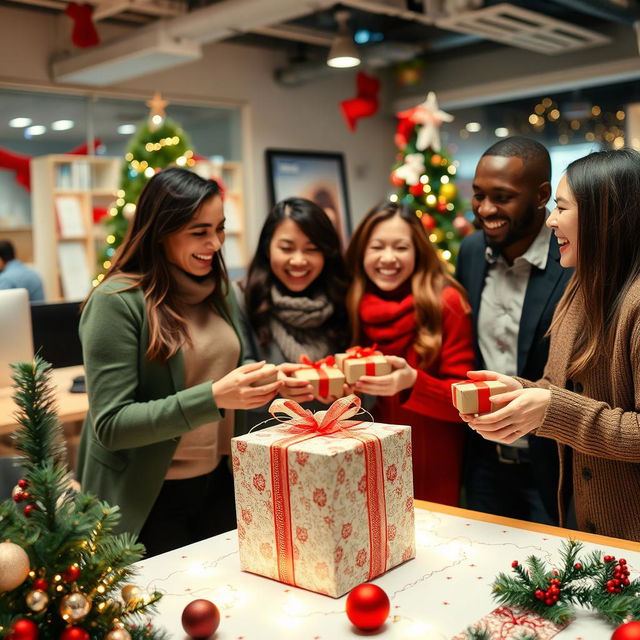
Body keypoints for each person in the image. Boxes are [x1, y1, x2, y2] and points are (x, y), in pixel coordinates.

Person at [76, 167, 280, 557]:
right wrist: (215, 397)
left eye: (220, 228)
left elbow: (235, 362)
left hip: (221, 487)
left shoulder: (216, 288)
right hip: (149, 498)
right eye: (199, 232)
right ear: (161, 231)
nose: (216, 243)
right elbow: (112, 425)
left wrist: (271, 380)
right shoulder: (116, 302)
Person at [461, 148, 640, 542]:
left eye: (561, 208)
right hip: (583, 518)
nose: (552, 220)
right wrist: (521, 391)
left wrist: (552, 410)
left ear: (603, 217)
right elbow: (561, 388)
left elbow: (568, 408)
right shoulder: (578, 287)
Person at [456, 137, 572, 525]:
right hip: (485, 462)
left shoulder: (573, 257)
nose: (485, 209)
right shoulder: (471, 251)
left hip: (555, 464)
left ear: (542, 195)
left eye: (502, 197)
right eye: (478, 195)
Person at [345, 201, 474, 506]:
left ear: (417, 251)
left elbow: (467, 402)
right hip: (368, 461)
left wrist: (413, 382)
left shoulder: (446, 301)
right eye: (377, 247)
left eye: (400, 247)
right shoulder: (356, 301)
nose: (388, 258)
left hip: (431, 463)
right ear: (362, 252)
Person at [236, 197, 350, 424]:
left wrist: (354, 391)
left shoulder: (344, 297)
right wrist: (276, 386)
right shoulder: (242, 297)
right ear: (268, 247)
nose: (298, 260)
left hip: (338, 444)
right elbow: (239, 372)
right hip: (266, 445)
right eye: (286, 248)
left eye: (312, 249)